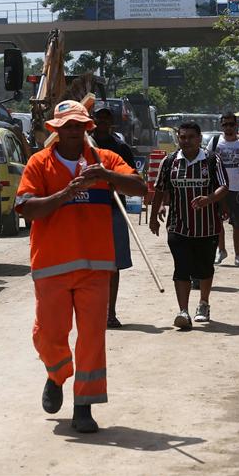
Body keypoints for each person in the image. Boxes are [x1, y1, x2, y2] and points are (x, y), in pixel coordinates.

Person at [15, 100, 146, 433]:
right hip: (51, 265)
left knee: (92, 337)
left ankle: (84, 406)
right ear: (56, 130)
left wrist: (107, 176)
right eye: (67, 126)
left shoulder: (105, 161)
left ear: (87, 129)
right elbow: (26, 209)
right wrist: (65, 194)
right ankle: (57, 375)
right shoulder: (39, 163)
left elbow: (140, 187)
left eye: (79, 126)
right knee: (48, 334)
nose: (74, 131)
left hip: (95, 266)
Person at [150, 123, 228, 329]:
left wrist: (209, 199)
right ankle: (183, 311)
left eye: (190, 137)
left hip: (207, 227)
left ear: (199, 138)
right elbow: (159, 189)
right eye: (182, 137)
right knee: (181, 267)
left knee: (204, 268)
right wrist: (153, 215)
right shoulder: (170, 161)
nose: (186, 141)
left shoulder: (211, 160)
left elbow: (224, 186)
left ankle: (203, 303)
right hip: (178, 225)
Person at [90, 102, 136, 328]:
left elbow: (133, 181)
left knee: (113, 265)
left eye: (107, 119)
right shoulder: (83, 145)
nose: (103, 122)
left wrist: (115, 181)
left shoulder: (120, 147)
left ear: (111, 122)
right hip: (88, 211)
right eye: (99, 118)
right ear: (93, 120)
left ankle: (111, 312)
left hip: (114, 209)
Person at [209, 112, 239, 267]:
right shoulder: (215, 141)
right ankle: (221, 250)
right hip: (218, 189)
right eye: (225, 124)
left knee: (238, 223)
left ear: (236, 125)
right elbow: (208, 159)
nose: (228, 127)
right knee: (217, 222)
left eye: (231, 124)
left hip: (237, 189)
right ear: (221, 126)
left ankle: (238, 255)